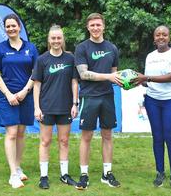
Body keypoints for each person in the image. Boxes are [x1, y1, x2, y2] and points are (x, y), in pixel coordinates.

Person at [0, 14, 38, 188]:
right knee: (11, 133)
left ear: (19, 27)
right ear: (5, 29)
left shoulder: (31, 48)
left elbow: (36, 72)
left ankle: (17, 167)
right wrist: (8, 94)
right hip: (6, 97)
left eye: (13, 26)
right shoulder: (0, 49)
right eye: (7, 26)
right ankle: (12, 175)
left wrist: (25, 91)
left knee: (21, 133)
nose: (11, 29)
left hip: (26, 96)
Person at [74, 13, 122, 190]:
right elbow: (84, 74)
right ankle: (84, 174)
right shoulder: (82, 48)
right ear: (88, 27)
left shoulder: (112, 48)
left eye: (98, 25)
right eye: (92, 25)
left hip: (107, 96)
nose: (95, 28)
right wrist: (109, 76)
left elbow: (115, 73)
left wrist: (122, 81)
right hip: (89, 96)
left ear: (104, 27)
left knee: (107, 135)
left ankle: (107, 173)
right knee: (86, 136)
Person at [135, 25, 171, 188]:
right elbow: (150, 80)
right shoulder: (150, 56)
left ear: (169, 37)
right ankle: (160, 172)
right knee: (157, 137)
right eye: (158, 35)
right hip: (153, 100)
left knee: (170, 137)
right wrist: (140, 83)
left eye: (164, 34)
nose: (161, 37)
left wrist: (146, 78)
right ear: (154, 38)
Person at [32, 25, 79, 189]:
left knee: (64, 141)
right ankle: (43, 177)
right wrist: (37, 108)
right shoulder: (42, 59)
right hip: (46, 107)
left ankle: (64, 175)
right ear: (49, 40)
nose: (56, 41)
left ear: (63, 39)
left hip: (65, 107)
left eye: (59, 38)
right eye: (53, 38)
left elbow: (74, 82)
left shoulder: (70, 58)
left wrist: (75, 103)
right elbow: (36, 85)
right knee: (45, 141)